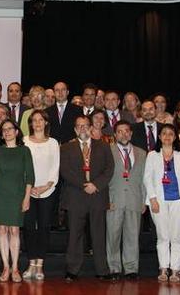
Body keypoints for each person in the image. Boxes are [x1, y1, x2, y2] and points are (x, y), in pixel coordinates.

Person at [59, 116, 114, 282]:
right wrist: (84, 184)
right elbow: (64, 171)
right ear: (75, 129)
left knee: (99, 233)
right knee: (75, 234)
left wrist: (95, 185)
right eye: (79, 126)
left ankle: (102, 270)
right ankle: (72, 269)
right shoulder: (66, 148)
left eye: (85, 126)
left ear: (91, 128)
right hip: (76, 195)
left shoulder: (103, 147)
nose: (82, 129)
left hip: (97, 195)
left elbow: (109, 169)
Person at [144, 124, 180, 282]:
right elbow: (147, 178)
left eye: (170, 134)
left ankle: (175, 269)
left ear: (175, 137)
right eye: (164, 134)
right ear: (159, 137)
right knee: (162, 237)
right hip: (158, 201)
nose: (167, 136)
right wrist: (152, 199)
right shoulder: (152, 155)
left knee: (175, 237)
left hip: (179, 201)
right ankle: (163, 268)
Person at [0, 119, 34, 283]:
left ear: (16, 132)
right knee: (1, 231)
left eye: (9, 129)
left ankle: (15, 268)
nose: (6, 132)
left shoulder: (24, 151)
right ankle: (6, 267)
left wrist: (27, 197)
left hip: (16, 195)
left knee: (14, 231)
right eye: (3, 130)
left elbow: (30, 177)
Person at [106, 121, 147, 280]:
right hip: (113, 200)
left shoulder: (142, 153)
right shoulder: (107, 151)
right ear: (115, 135)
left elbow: (145, 178)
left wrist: (144, 200)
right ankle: (114, 268)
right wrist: (106, 199)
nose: (123, 134)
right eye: (120, 132)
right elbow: (104, 178)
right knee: (112, 236)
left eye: (126, 131)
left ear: (131, 133)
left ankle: (131, 269)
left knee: (132, 236)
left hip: (134, 199)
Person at [21, 110, 59, 281]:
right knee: (29, 228)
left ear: (46, 123)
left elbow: (55, 167)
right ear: (30, 123)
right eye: (34, 120)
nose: (37, 123)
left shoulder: (53, 143)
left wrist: (45, 186)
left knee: (43, 227)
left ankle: (40, 265)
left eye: (40, 120)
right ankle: (30, 263)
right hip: (27, 192)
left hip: (47, 191)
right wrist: (30, 188)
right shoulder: (24, 141)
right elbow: (21, 167)